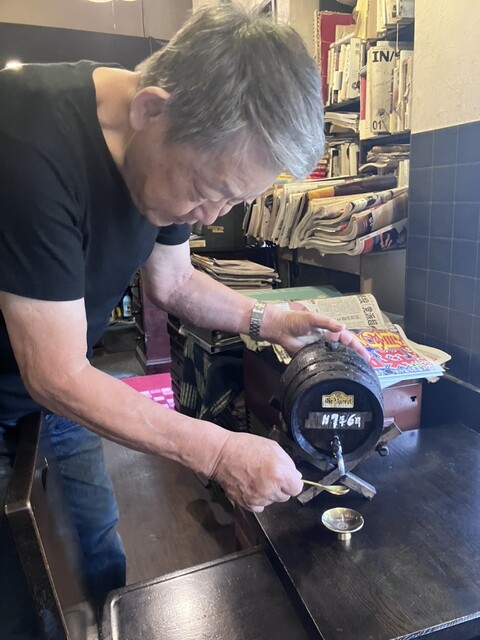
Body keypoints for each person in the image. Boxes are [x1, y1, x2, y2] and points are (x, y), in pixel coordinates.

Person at [0, 4, 368, 637]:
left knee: (96, 558)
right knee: (20, 602)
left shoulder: (168, 152)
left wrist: (269, 319)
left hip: (55, 391)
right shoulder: (29, 141)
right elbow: (54, 373)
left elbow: (172, 281)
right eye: (207, 189)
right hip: (40, 377)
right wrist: (217, 450)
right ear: (151, 110)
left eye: (231, 200)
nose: (208, 216)